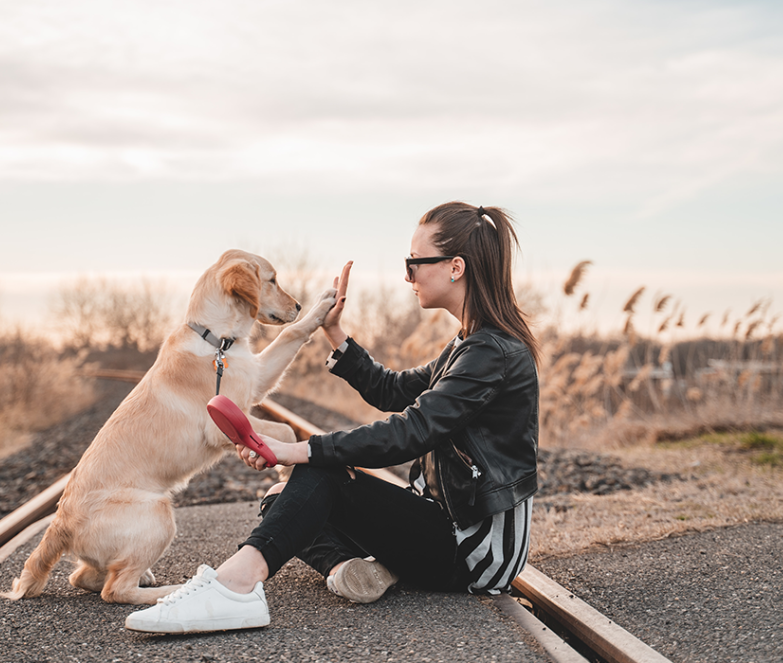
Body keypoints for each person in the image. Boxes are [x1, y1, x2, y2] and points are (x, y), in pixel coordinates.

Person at [125, 201, 540, 634]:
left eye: (414, 263)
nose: (407, 275)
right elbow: (393, 390)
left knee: (317, 478)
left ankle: (234, 587)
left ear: (455, 267)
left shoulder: (490, 352)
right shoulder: (469, 345)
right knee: (282, 500)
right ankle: (352, 569)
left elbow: (411, 431)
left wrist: (300, 449)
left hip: (474, 549)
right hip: (442, 522)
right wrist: (334, 332)